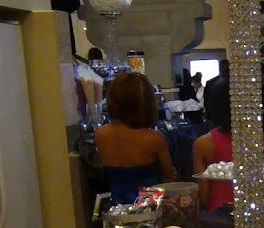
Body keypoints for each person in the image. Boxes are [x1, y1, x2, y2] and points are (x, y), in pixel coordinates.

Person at [95, 72, 176, 204]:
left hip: (117, 205)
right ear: (146, 103)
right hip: (149, 204)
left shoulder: (100, 134)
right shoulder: (154, 138)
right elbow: (168, 178)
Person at [193, 76, 234, 212]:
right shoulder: (260, 140)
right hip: (257, 213)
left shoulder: (203, 144)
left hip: (218, 214)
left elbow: (204, 197)